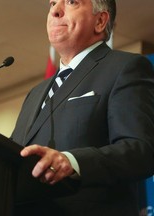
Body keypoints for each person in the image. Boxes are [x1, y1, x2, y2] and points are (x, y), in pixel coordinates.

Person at [11, 0, 154, 215]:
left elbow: (140, 152)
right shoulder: (34, 94)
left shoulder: (125, 67)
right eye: (52, 4)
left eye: (71, 2)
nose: (55, 11)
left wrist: (73, 162)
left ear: (100, 21)